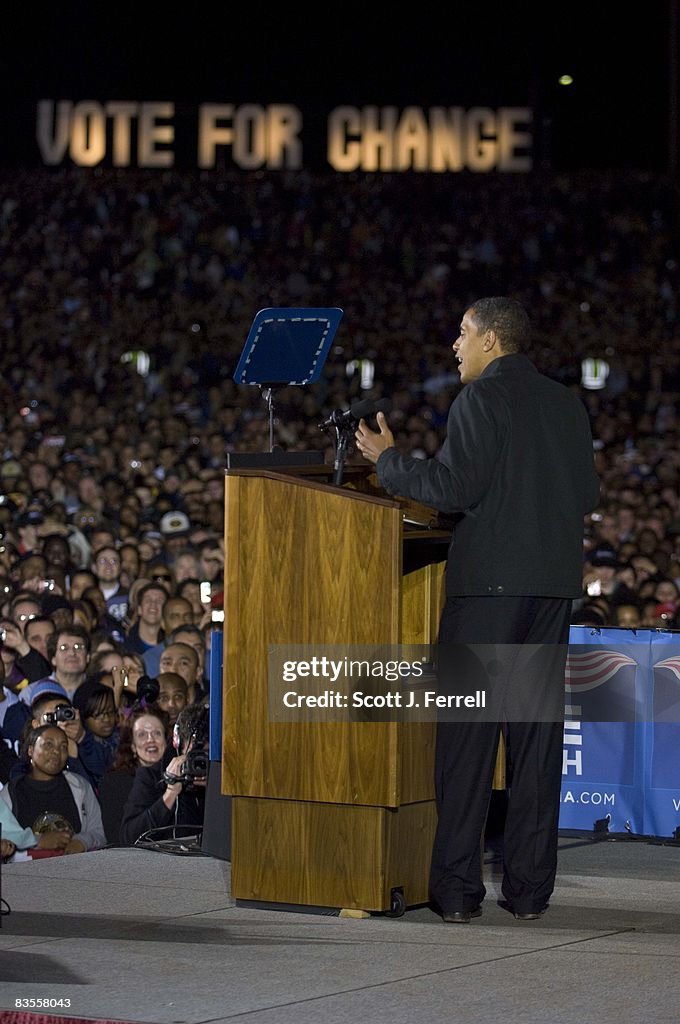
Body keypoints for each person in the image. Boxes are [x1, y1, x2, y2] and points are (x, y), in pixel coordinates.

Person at [355, 296, 600, 922]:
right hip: (549, 593)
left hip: (488, 592)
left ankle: (459, 894)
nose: (454, 346)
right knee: (535, 749)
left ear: (492, 341)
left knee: (466, 749)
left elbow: (453, 488)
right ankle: (529, 893)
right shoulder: (566, 402)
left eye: (462, 334)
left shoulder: (481, 400)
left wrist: (389, 461)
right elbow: (585, 493)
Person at [0, 723, 106, 854]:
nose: (57, 751)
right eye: (48, 744)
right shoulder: (9, 794)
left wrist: (82, 842)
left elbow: (99, 833)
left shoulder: (80, 786)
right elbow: (5, 839)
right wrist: (40, 841)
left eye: (63, 747)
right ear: (30, 750)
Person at [120, 698, 208, 846]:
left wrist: (215, 791)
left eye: (206, 753)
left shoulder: (220, 777)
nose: (200, 760)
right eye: (194, 753)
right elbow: (129, 837)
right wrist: (171, 792)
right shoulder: (150, 777)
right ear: (178, 743)